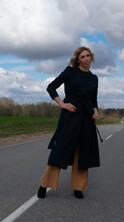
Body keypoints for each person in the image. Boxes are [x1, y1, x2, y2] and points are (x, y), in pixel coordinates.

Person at [37, 46, 100, 199]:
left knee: (83, 152)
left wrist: (96, 110)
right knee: (60, 149)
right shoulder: (70, 72)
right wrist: (62, 104)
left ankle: (78, 188)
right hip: (70, 116)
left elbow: (93, 99)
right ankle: (45, 185)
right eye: (82, 57)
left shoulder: (94, 78)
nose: (86, 59)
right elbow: (51, 87)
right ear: (77, 60)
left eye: (88, 56)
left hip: (87, 118)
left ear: (91, 57)